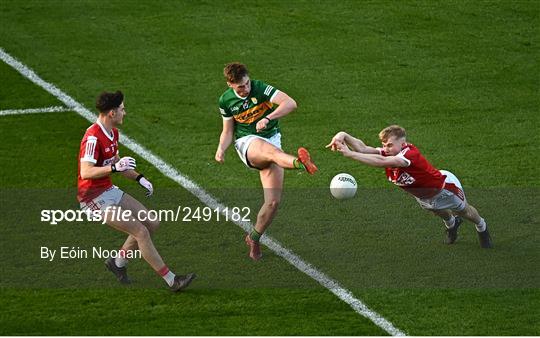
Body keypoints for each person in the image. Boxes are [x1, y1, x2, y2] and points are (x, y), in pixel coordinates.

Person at [77, 90, 196, 291]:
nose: (125, 113)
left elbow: (117, 163)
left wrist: (140, 178)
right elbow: (86, 171)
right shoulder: (93, 138)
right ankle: (172, 280)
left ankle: (118, 263)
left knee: (152, 223)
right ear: (112, 113)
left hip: (107, 189)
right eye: (122, 109)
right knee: (140, 232)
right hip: (92, 198)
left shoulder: (113, 133)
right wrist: (115, 168)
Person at [327, 125, 492, 248]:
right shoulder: (390, 152)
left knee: (465, 212)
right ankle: (451, 224)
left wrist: (349, 154)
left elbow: (383, 162)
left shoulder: (408, 155)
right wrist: (343, 135)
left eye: (390, 145)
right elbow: (363, 148)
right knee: (436, 211)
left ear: (403, 143)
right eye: (384, 145)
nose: (386, 149)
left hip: (444, 189)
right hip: (423, 195)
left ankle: (482, 227)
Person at [215, 62, 318, 260]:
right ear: (230, 85)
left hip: (272, 140)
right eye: (239, 87)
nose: (245, 89)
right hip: (248, 143)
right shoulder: (225, 101)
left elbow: (290, 103)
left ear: (248, 78)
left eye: (246, 84)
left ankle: (253, 237)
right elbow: (227, 131)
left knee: (272, 203)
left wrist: (268, 118)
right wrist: (221, 148)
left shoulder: (261, 88)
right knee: (272, 154)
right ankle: (300, 163)